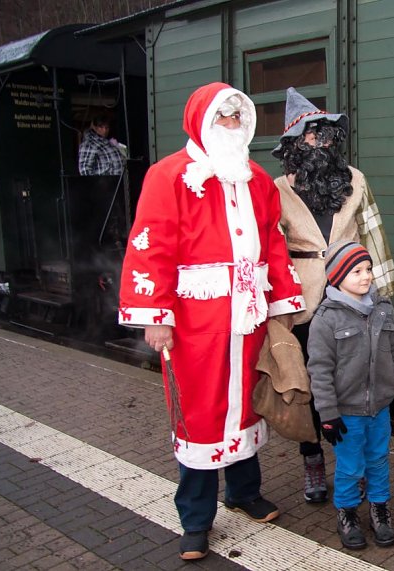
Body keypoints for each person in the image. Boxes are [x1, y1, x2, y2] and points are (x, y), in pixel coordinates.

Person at [117, 82, 305, 561]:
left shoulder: (257, 179)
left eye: (237, 117)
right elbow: (150, 243)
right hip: (194, 320)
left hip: (249, 316)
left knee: (247, 404)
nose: (231, 125)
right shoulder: (169, 176)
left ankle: (243, 492)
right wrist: (155, 314)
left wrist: (283, 301)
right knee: (200, 414)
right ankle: (196, 519)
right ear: (200, 120)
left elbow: (273, 241)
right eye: (222, 117)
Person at [273, 87, 394, 504]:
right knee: (310, 385)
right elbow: (272, 248)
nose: (321, 141)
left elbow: (373, 234)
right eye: (312, 134)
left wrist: (382, 295)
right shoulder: (276, 190)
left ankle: (355, 464)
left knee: (357, 383)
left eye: (326, 134)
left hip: (354, 297)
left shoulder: (355, 180)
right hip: (302, 300)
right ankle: (311, 459)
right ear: (295, 143)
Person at [306, 240, 394, 549]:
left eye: (368, 269)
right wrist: (327, 413)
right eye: (357, 271)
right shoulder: (326, 319)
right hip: (347, 413)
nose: (366, 276)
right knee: (350, 465)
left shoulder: (383, 310)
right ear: (337, 276)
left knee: (379, 460)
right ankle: (348, 511)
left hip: (379, 408)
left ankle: (380, 509)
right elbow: (320, 370)